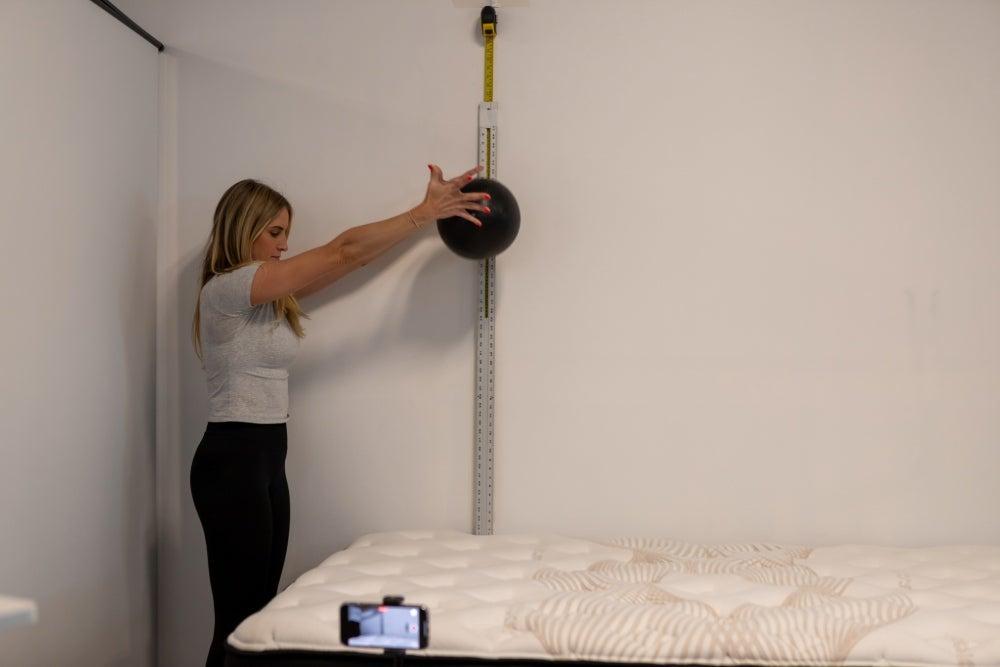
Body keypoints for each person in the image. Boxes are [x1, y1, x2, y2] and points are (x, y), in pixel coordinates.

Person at [189, 165, 487, 667]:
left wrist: (418, 227)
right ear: (243, 228)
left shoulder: (267, 298)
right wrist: (424, 212)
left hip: (265, 459)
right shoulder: (229, 290)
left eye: (287, 234)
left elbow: (348, 262)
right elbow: (342, 250)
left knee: (261, 615)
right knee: (239, 622)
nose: (284, 245)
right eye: (275, 233)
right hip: (232, 462)